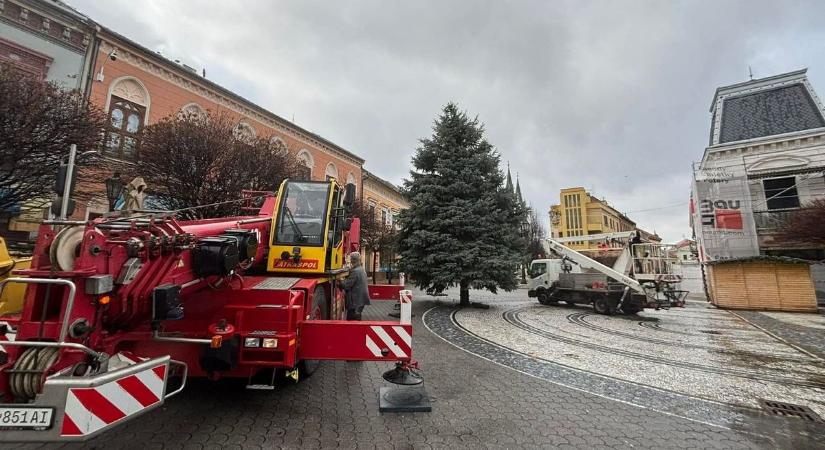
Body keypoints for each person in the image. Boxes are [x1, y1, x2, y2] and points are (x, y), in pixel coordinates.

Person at [341, 252, 370, 320]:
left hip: (355, 301)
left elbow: (346, 285)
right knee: (357, 317)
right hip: (360, 300)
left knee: (352, 319)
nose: (349, 263)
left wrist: (339, 280)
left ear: (353, 261)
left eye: (349, 261)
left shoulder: (355, 272)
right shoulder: (361, 269)